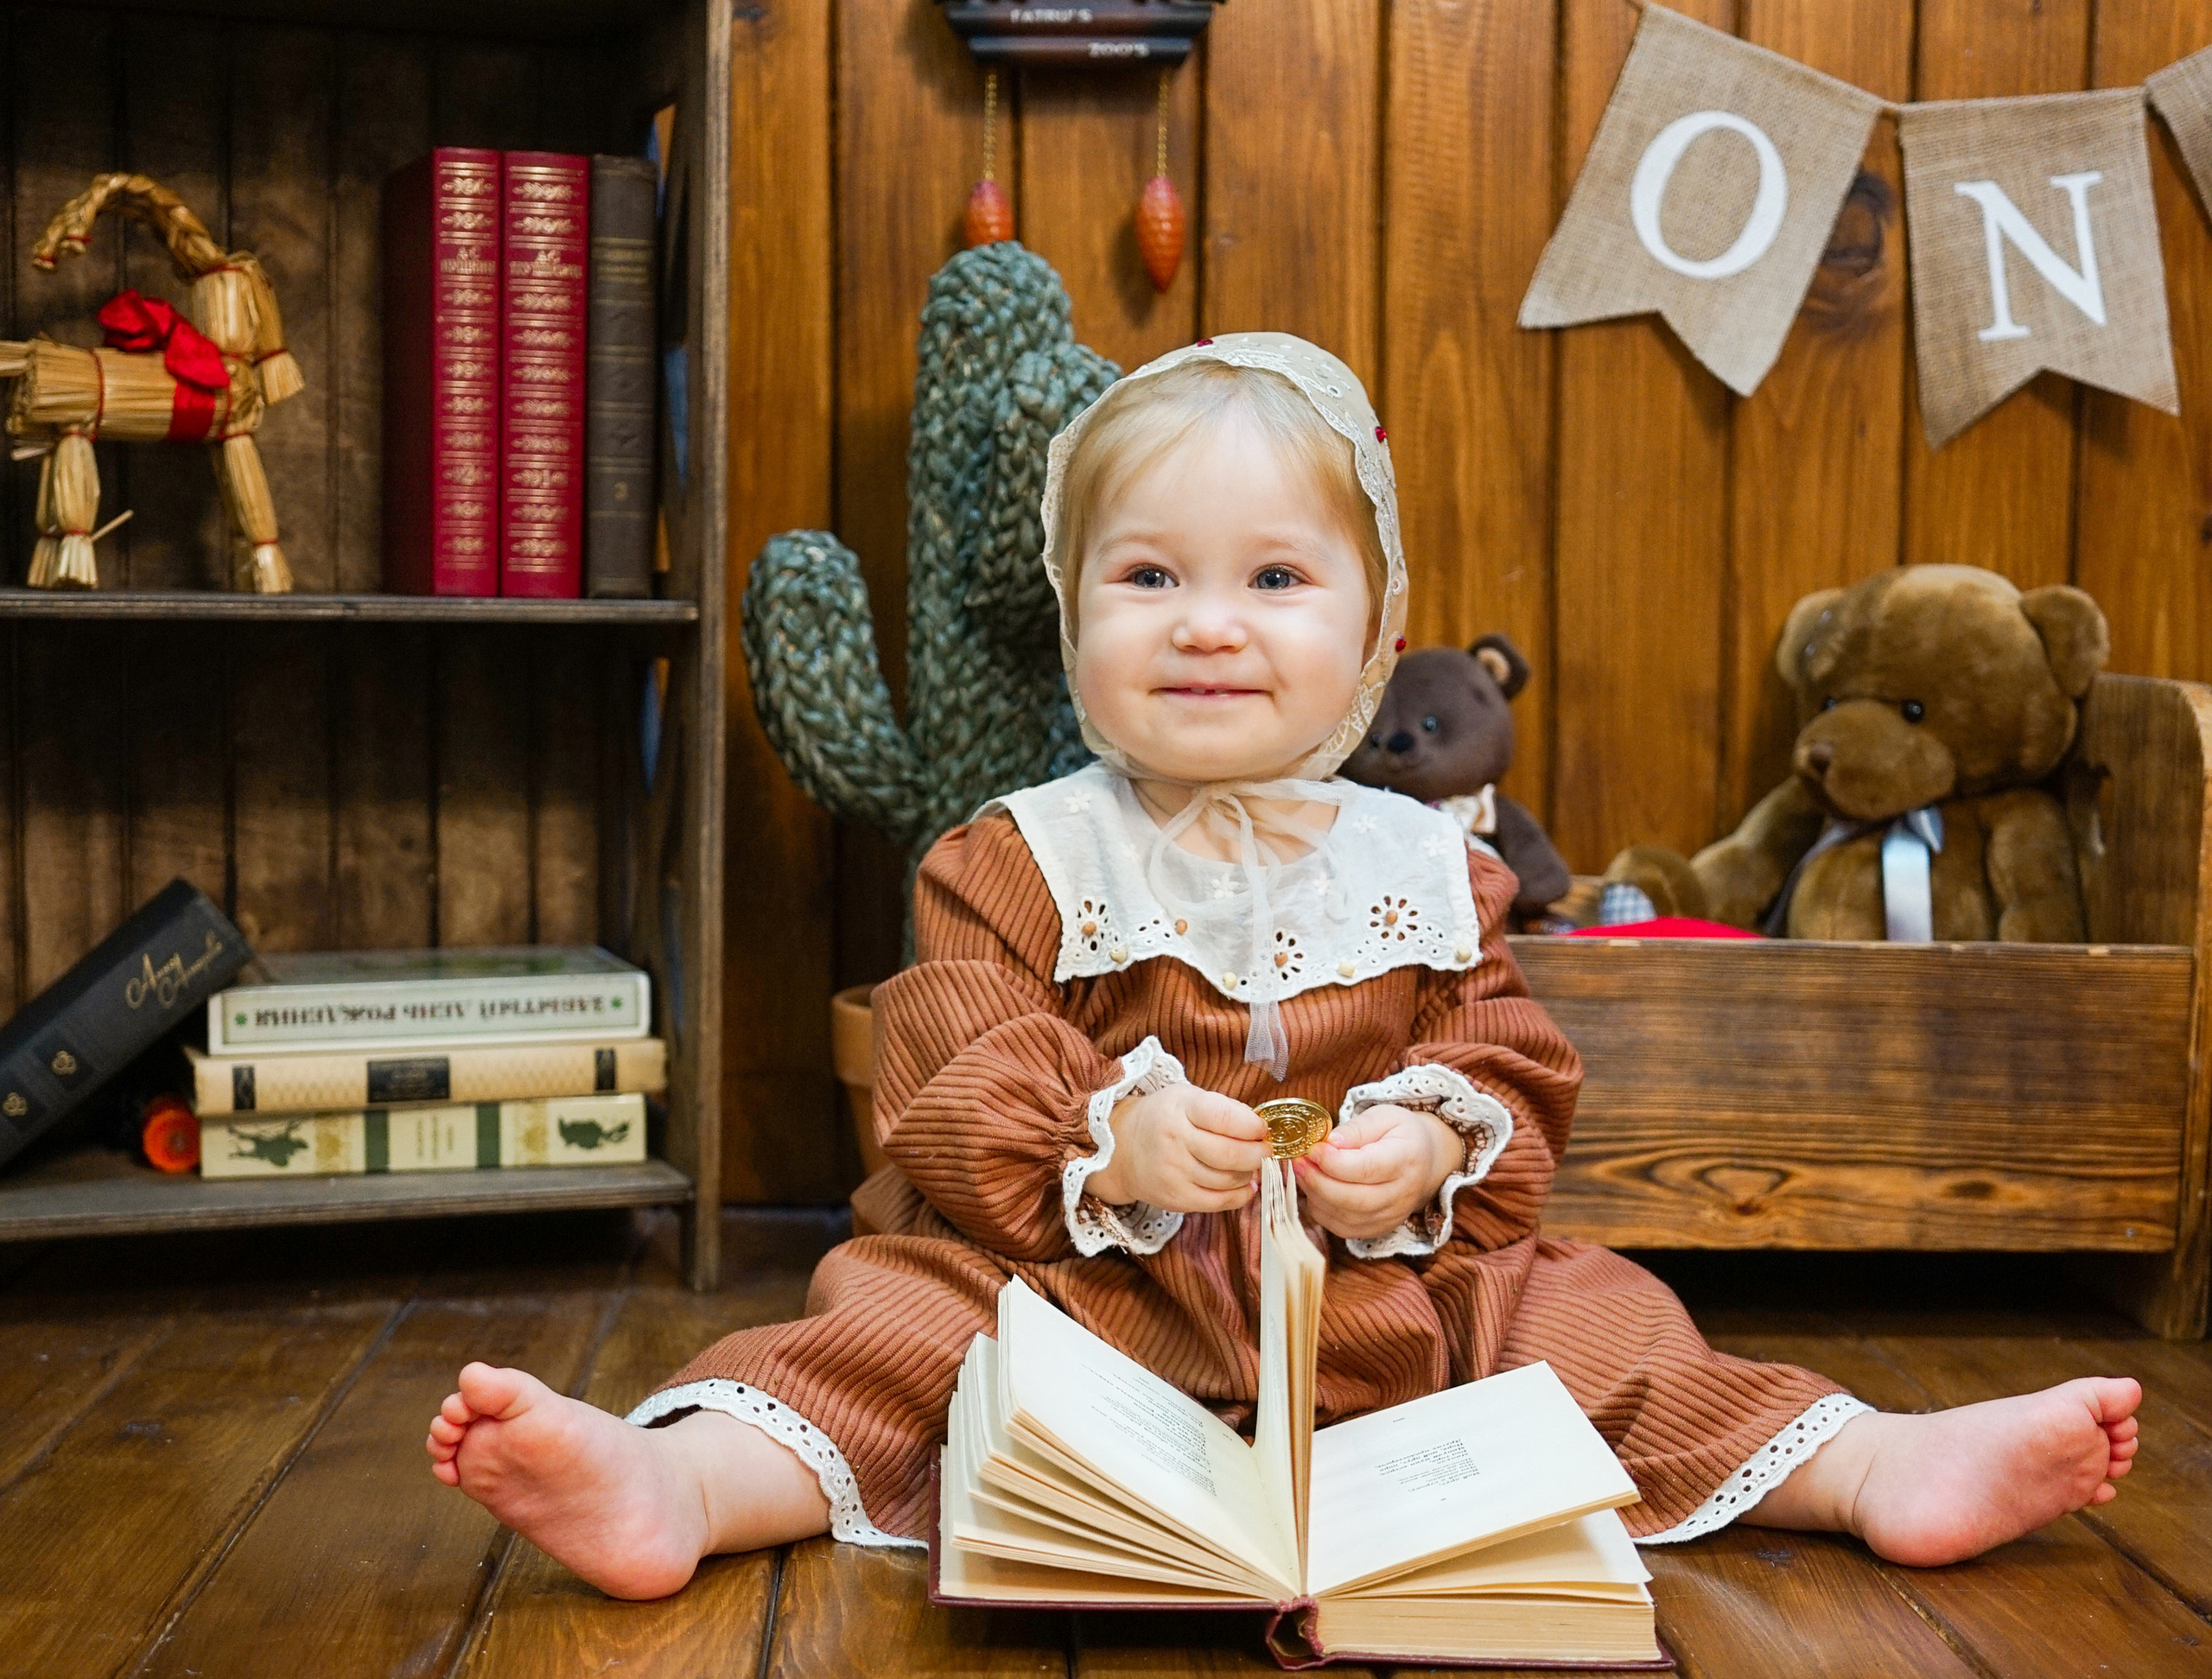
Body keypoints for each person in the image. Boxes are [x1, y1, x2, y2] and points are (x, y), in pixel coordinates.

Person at [427, 334, 2140, 1600]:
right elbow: (944, 1066)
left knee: (1592, 1316)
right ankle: (684, 1488)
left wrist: (1426, 1138)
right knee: (884, 1325)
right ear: (1074, 613)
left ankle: (1865, 1469)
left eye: (1271, 577)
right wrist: (1106, 1140)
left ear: (1371, 636)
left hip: (1376, 1305)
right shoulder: (1015, 853)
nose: (1204, 620)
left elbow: (1510, 1058)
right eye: (1146, 575)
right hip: (1082, 1301)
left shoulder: (1425, 869)